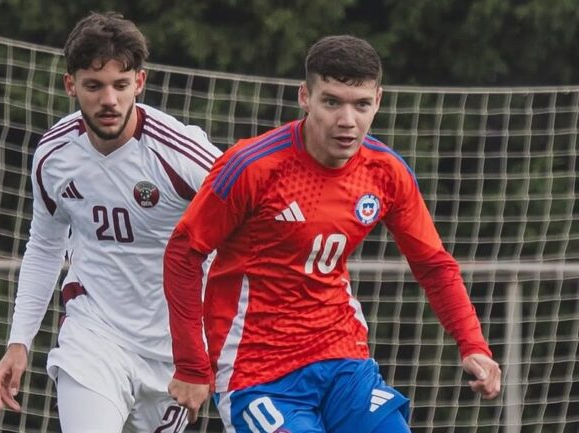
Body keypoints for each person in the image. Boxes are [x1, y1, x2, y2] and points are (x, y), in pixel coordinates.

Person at [163, 35, 502, 433]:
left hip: (343, 357)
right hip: (256, 369)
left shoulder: (386, 172)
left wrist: (473, 343)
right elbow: (184, 254)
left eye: (361, 105)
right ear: (305, 96)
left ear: (378, 99)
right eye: (332, 102)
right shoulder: (252, 166)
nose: (347, 120)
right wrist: (191, 364)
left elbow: (432, 264)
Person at [0, 11, 221, 433]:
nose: (108, 100)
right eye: (94, 86)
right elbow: (43, 247)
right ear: (71, 85)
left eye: (120, 85)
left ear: (140, 82)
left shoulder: (184, 154)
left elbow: (244, 227)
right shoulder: (53, 156)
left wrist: (209, 348)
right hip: (94, 335)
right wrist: (18, 342)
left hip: (174, 351)